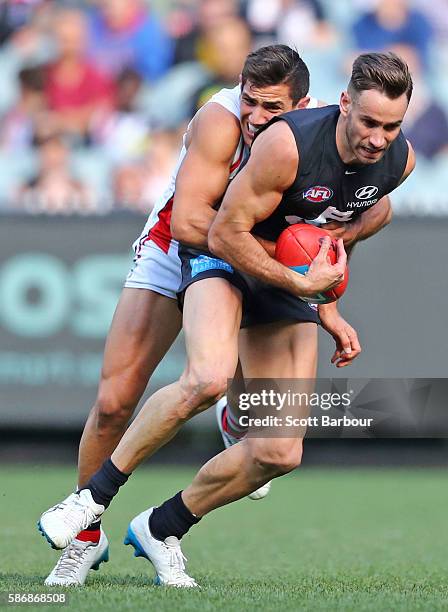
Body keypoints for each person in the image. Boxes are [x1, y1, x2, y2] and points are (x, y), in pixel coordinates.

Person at [38, 50, 411, 588]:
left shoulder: (356, 142)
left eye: (272, 107)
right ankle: (86, 534)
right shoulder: (223, 124)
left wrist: (324, 276)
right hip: (182, 241)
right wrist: (298, 276)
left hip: (256, 249)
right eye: (250, 101)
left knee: (277, 440)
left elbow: (371, 206)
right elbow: (197, 224)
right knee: (120, 400)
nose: (256, 116)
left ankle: (221, 443)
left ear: (303, 105)